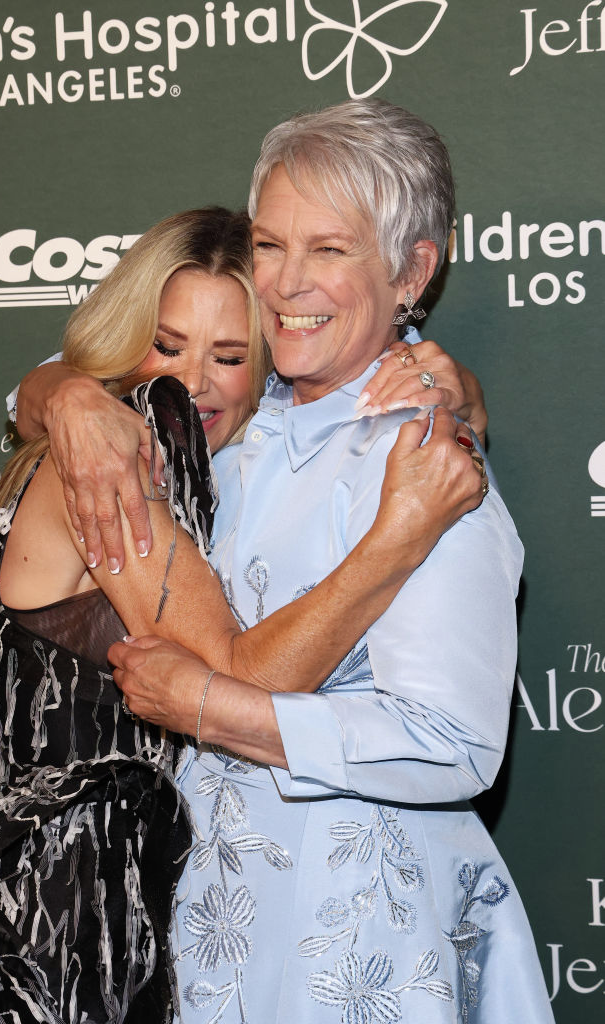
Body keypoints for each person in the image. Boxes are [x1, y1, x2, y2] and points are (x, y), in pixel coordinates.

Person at [0, 207, 486, 1023]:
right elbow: (249, 674)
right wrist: (402, 532)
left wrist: (461, 395)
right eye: (166, 346)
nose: (191, 382)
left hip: (120, 916)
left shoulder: (207, 474)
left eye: (230, 356)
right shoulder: (110, 468)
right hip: (38, 926)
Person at [105, 101, 555, 1022]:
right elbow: (70, 376)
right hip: (199, 923)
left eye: (330, 250)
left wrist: (212, 707)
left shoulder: (425, 460)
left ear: (411, 271)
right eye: (269, 245)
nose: (284, 283)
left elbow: (453, 742)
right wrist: (64, 404)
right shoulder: (230, 416)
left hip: (353, 940)